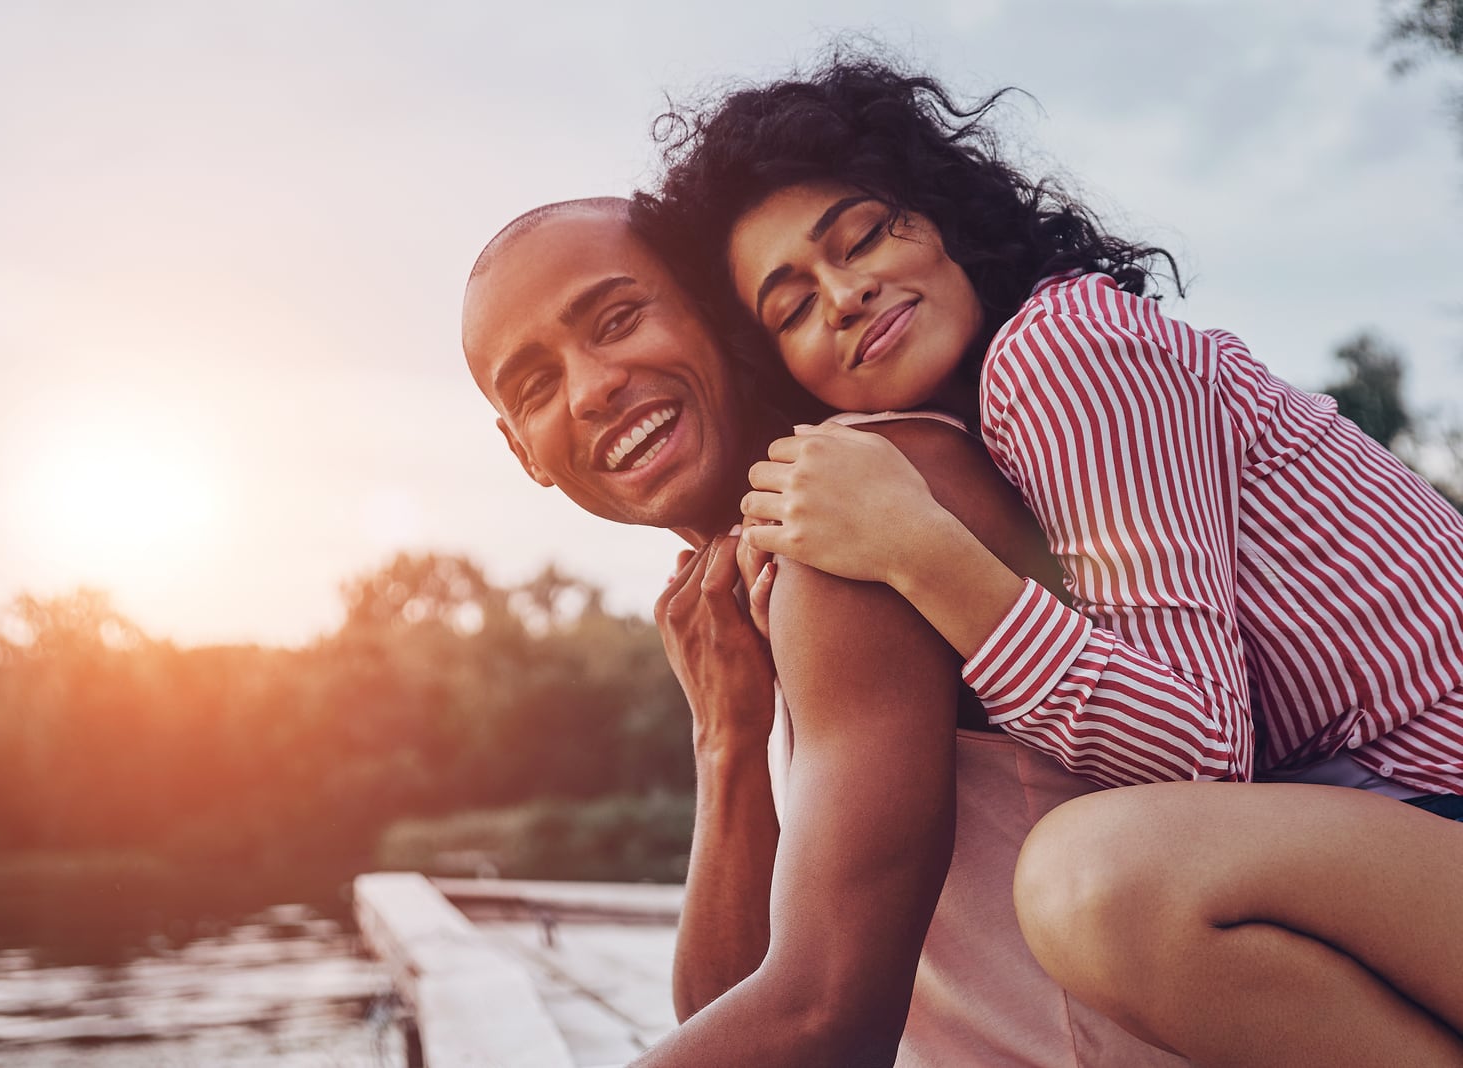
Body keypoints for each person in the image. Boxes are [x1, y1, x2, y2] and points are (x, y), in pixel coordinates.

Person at [640, 53, 1463, 1064]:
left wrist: (919, 551)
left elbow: (1203, 757)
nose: (844, 293)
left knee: (1095, 880)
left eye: (860, 235)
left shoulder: (1060, 348)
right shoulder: (961, 451)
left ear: (936, 215)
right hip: (1403, 838)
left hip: (1436, 798)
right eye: (793, 306)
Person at [461, 197, 1188, 1064]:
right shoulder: (761, 575)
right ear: (525, 454)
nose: (592, 387)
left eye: (618, 321)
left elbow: (825, 1022)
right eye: (539, 386)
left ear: (718, 310)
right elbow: (721, 1011)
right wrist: (727, 737)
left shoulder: (861, 503)